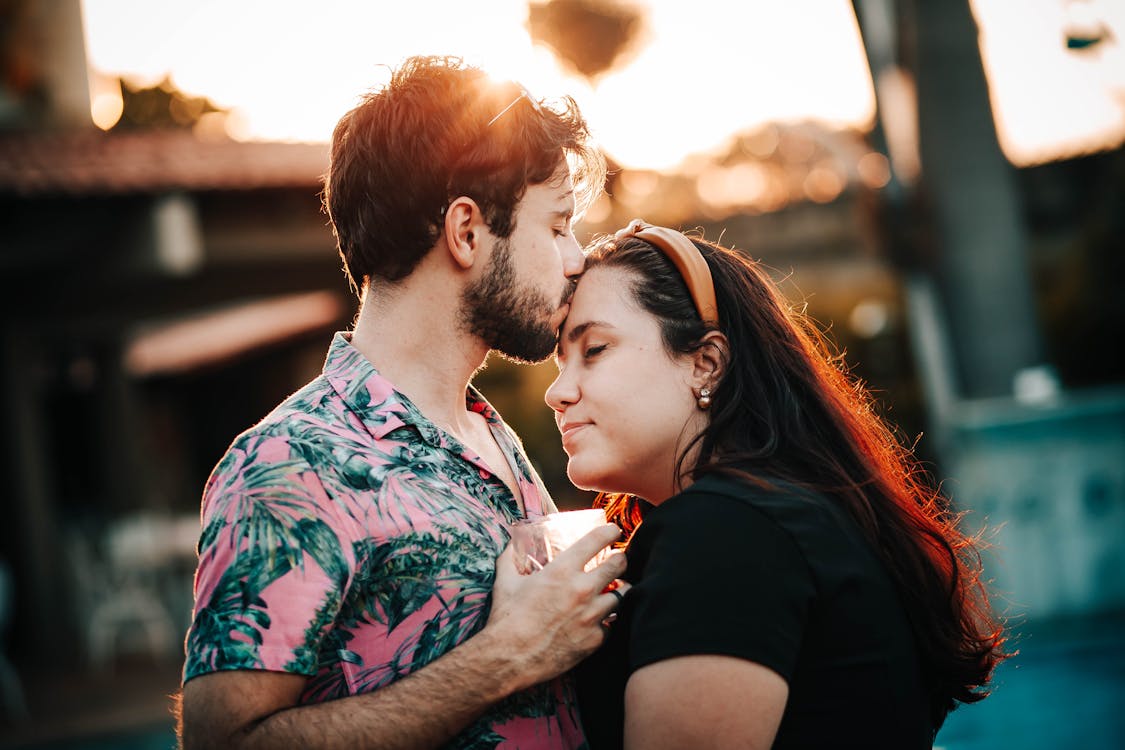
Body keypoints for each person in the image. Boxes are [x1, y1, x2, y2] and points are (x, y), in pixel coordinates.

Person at [178, 55, 627, 750]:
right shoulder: (293, 461)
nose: (577, 258)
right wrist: (503, 659)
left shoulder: (485, 432)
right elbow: (223, 743)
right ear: (467, 231)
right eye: (558, 225)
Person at [546, 220, 1009, 749]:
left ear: (706, 363)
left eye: (595, 349)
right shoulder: (788, 514)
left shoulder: (725, 531)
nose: (558, 392)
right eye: (561, 361)